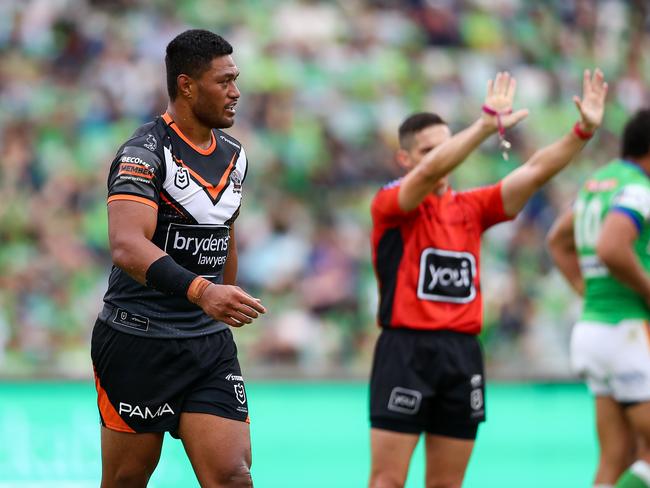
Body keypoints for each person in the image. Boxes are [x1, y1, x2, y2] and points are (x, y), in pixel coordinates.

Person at [368, 69, 607, 488]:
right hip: (406, 350)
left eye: (446, 148)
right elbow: (425, 177)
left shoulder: (472, 207)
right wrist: (482, 126)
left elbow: (534, 171)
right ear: (404, 159)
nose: (444, 158)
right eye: (428, 151)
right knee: (387, 481)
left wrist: (581, 131)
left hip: (462, 354)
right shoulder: (393, 203)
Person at [91, 29, 266, 488]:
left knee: (232, 476)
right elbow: (127, 245)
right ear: (186, 85)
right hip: (138, 339)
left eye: (236, 79)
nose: (236, 92)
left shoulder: (235, 156)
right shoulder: (143, 153)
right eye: (224, 81)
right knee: (127, 480)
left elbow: (224, 234)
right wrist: (203, 291)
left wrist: (225, 300)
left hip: (207, 343)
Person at [547, 109, 650, 488]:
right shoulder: (639, 189)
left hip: (592, 327)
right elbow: (611, 247)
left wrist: (588, 290)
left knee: (615, 459)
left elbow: (557, 241)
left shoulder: (598, 183)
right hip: (625, 330)